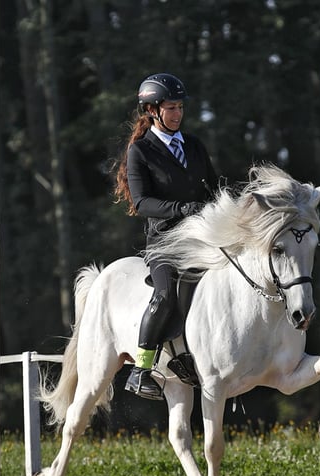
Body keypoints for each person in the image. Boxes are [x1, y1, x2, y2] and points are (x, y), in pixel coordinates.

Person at [112, 73, 218, 400]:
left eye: (180, 107)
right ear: (152, 110)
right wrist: (181, 209)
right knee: (165, 296)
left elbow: (213, 189)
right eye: (171, 108)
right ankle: (141, 369)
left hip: (201, 236)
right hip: (165, 242)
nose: (177, 114)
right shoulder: (141, 152)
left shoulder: (195, 145)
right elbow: (142, 202)